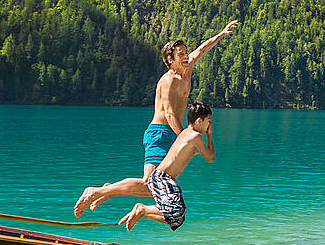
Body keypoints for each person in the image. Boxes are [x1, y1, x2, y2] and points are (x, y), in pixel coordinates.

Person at [74, 20, 238, 216]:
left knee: (153, 187)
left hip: (172, 133)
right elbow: (169, 113)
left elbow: (202, 49)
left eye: (186, 52)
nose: (186, 56)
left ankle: (108, 190)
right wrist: (183, 139)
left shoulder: (187, 67)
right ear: (170, 60)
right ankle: (97, 191)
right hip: (160, 133)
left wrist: (221, 33)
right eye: (181, 54)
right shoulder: (167, 81)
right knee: (149, 184)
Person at [119, 101, 214, 230]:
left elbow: (191, 152)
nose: (210, 124)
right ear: (198, 121)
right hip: (162, 178)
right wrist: (209, 135)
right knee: (176, 211)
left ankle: (144, 212)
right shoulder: (195, 136)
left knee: (178, 219)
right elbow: (210, 158)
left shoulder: (185, 133)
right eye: (208, 120)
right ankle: (142, 209)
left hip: (162, 178)